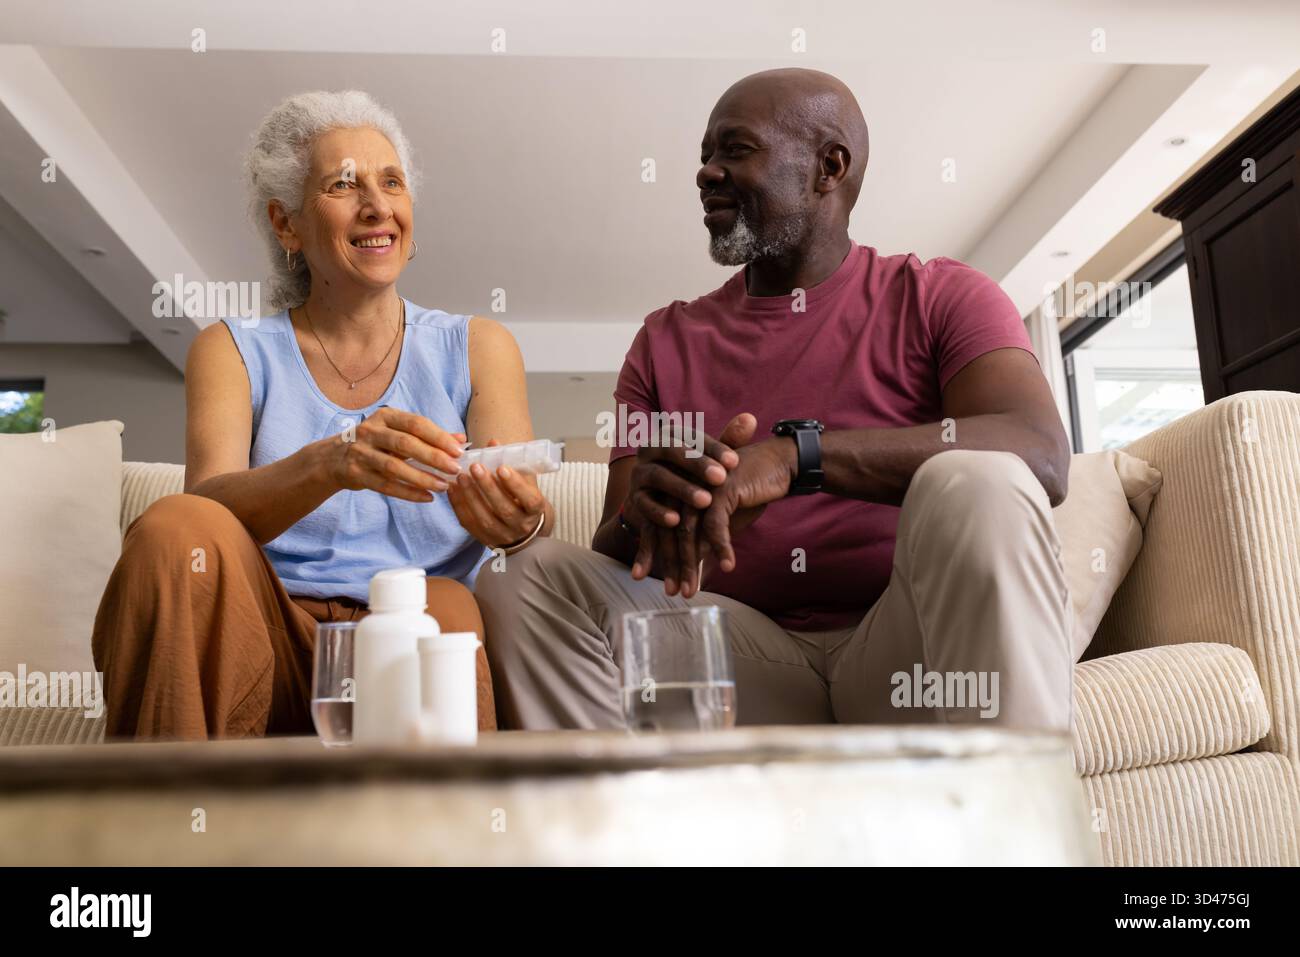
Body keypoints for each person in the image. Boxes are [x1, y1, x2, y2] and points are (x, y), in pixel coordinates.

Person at [476, 69, 1074, 732]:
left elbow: (1040, 451)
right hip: (736, 660)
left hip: (910, 654)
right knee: (520, 573)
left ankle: (1019, 819)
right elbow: (617, 548)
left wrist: (794, 459)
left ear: (828, 167)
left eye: (735, 150)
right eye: (704, 157)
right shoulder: (666, 340)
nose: (706, 173)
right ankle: (614, 826)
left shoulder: (940, 296)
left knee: (981, 480)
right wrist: (663, 513)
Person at [93, 90, 554, 739]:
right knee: (175, 528)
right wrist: (333, 462)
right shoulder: (232, 350)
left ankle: (436, 833)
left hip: (416, 631)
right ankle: (168, 826)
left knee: (448, 604)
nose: (378, 204)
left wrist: (522, 519)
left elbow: (528, 516)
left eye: (391, 182)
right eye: (345, 184)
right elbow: (210, 509)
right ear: (287, 225)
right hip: (264, 632)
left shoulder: (478, 346)